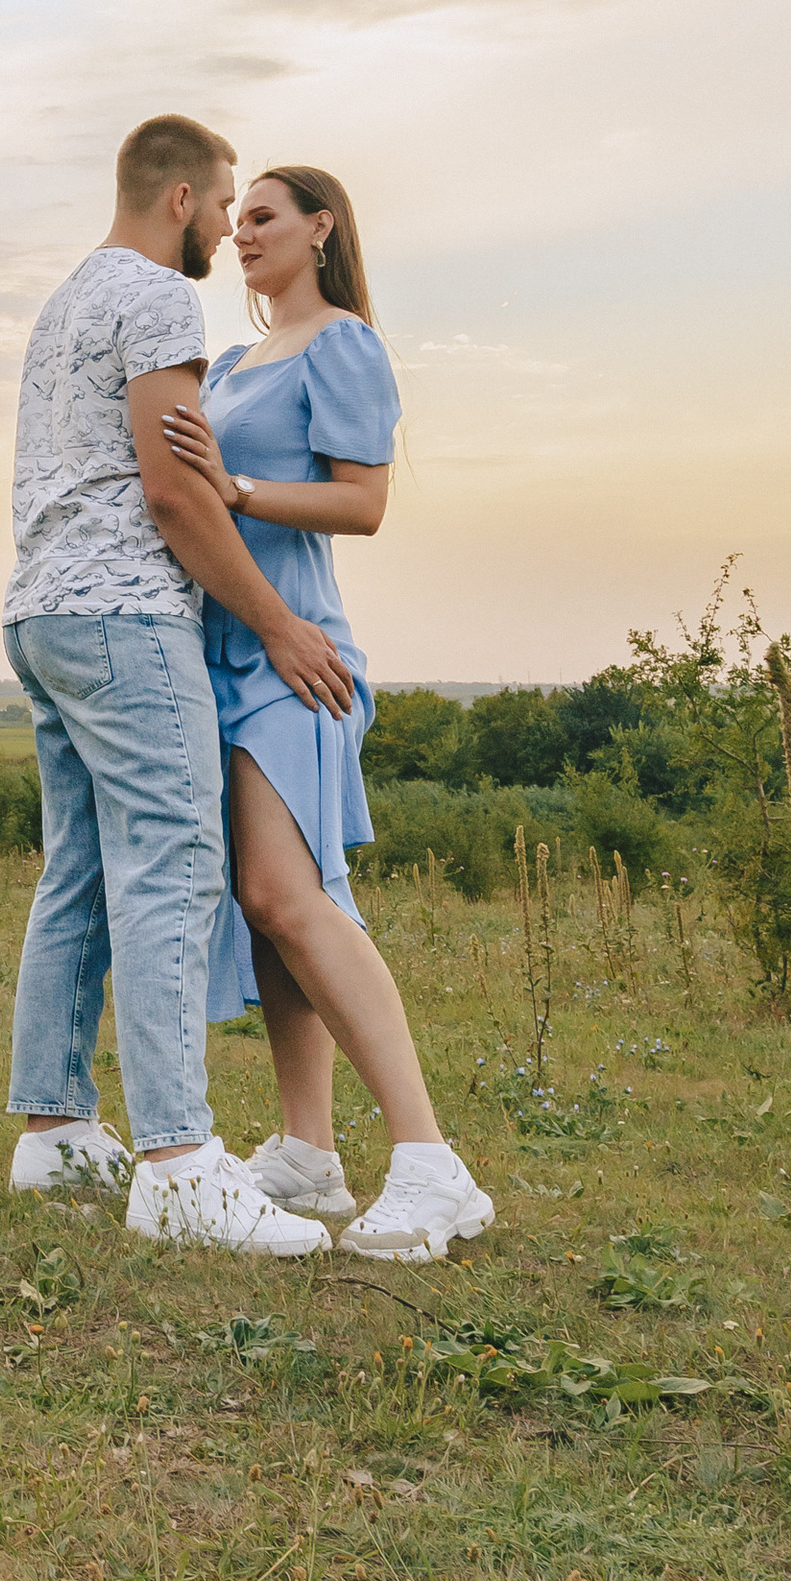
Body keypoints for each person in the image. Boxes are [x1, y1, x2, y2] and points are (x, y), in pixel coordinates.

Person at [2, 115, 359, 1259]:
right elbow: (174, 492)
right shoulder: (159, 298)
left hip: (40, 608)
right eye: (219, 207)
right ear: (178, 203)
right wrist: (279, 623)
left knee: (82, 868)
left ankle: (54, 1129)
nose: (223, 228)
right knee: (174, 862)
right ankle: (179, 1164)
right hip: (124, 617)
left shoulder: (65, 301)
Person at [161, 164, 495, 1263]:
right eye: (237, 216)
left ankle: (430, 1163)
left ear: (320, 227)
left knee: (287, 898)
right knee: (269, 909)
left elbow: (363, 501)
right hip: (221, 658)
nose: (241, 231)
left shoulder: (340, 342)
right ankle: (307, 1154)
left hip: (294, 656)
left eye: (263, 216)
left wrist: (241, 492)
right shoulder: (235, 361)